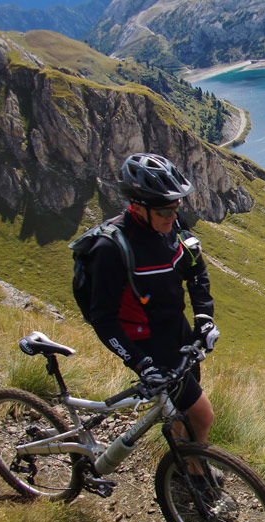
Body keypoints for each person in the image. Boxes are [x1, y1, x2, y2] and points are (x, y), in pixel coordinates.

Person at [87, 153, 219, 445]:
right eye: (163, 211)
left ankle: (181, 465)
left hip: (179, 332)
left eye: (176, 207)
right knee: (202, 416)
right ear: (138, 206)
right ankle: (195, 480)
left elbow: (196, 270)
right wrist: (139, 363)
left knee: (184, 413)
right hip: (148, 343)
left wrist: (204, 318)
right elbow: (103, 320)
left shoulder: (172, 222)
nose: (172, 216)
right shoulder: (112, 248)